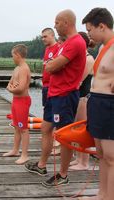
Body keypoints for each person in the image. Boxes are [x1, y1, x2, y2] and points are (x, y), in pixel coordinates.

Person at [26, 10, 87, 187]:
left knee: (64, 135)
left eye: (57, 23)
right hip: (54, 93)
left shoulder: (75, 42)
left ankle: (63, 174)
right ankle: (41, 165)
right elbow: (50, 67)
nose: (55, 25)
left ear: (66, 22)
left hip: (65, 95)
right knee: (46, 128)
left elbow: (51, 67)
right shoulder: (65, 43)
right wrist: (51, 65)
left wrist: (51, 65)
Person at [82, 7, 114, 200]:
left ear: (101, 26)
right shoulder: (104, 47)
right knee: (101, 154)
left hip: (110, 104)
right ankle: (102, 194)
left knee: (111, 156)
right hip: (97, 102)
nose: (89, 35)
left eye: (89, 30)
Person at [25, 27, 60, 175]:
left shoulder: (58, 48)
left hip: (55, 89)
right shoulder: (47, 50)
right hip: (46, 87)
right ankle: (43, 161)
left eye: (45, 36)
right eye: (41, 37)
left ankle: (57, 143)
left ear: (52, 35)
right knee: (47, 119)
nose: (43, 39)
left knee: (57, 121)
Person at [69, 31, 95, 171]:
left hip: (84, 98)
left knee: (82, 130)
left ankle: (84, 162)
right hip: (77, 97)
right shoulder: (81, 57)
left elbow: (78, 80)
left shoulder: (89, 59)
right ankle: (78, 158)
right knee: (76, 129)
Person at [2, 44, 32, 165]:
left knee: (23, 128)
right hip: (15, 101)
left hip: (23, 101)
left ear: (18, 55)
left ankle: (25, 155)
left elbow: (20, 88)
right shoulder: (17, 68)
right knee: (16, 126)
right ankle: (15, 150)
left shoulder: (24, 68)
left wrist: (10, 89)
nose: (12, 58)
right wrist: (11, 87)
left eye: (13, 56)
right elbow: (10, 83)